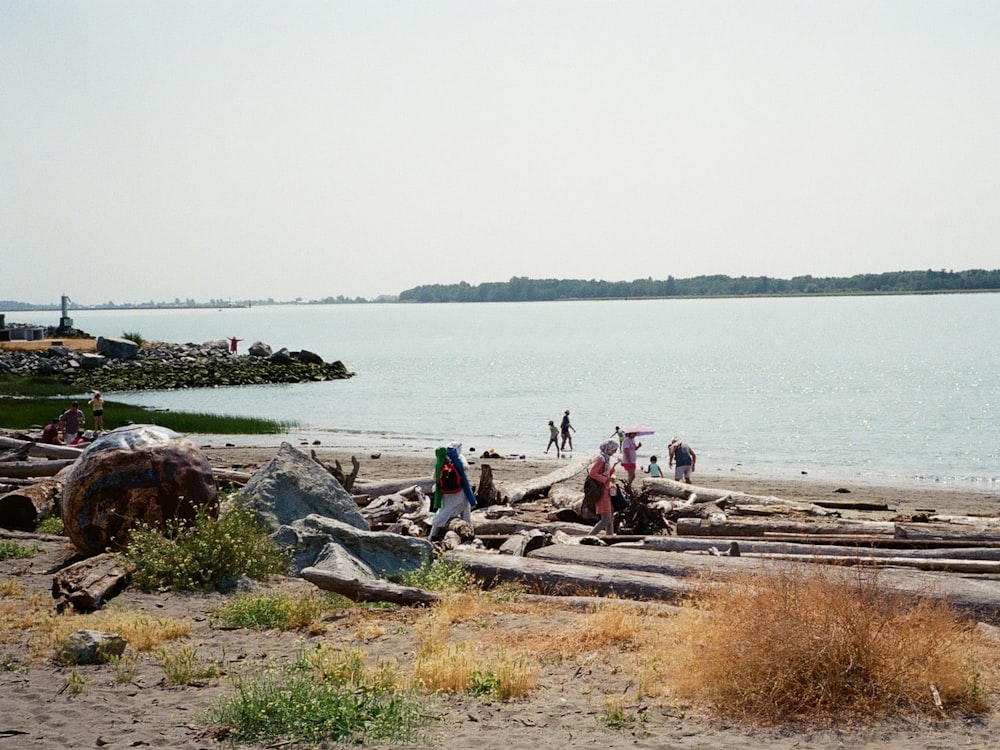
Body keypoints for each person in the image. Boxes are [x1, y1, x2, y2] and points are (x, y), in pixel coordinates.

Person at [428, 442, 477, 541]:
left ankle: (432, 533)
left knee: (444, 510)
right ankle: (470, 533)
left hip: (445, 492)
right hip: (460, 491)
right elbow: (466, 467)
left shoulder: (441, 459)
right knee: (465, 511)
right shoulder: (459, 458)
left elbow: (434, 477)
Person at [587, 439, 620, 537]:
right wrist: (606, 479)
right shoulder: (601, 459)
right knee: (606, 518)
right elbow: (592, 473)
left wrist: (613, 468)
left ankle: (609, 537)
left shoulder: (606, 458)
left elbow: (607, 472)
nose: (615, 451)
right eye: (614, 449)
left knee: (610, 517)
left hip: (606, 489)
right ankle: (589, 537)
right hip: (601, 491)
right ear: (608, 449)